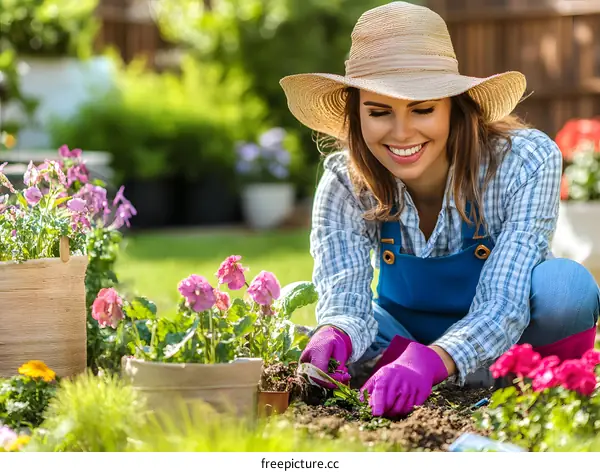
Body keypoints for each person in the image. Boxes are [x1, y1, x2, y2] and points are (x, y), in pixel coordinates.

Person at [279, 1, 600, 419]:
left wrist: (434, 360)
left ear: (455, 105)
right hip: (400, 340)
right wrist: (334, 335)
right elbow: (346, 297)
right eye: (378, 112)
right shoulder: (345, 180)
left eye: (423, 109)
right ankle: (405, 378)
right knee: (304, 337)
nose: (401, 133)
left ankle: (535, 388)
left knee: (566, 287)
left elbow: (505, 299)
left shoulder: (524, 160)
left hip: (509, 341)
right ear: (356, 115)